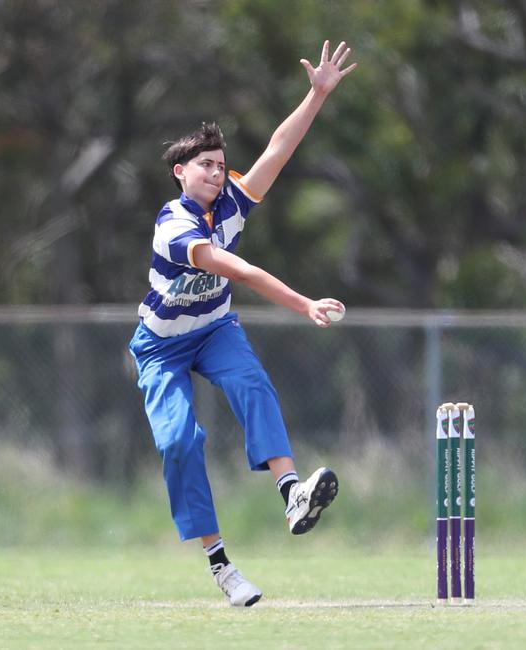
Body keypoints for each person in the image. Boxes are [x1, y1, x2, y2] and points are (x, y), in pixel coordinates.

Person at [129, 40, 356, 607]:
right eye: (204, 165)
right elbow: (244, 271)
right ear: (181, 173)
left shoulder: (232, 198)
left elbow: (279, 148)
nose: (215, 172)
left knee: (251, 382)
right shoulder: (174, 227)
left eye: (220, 165)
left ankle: (291, 494)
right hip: (161, 348)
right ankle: (222, 567)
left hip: (214, 330)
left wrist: (316, 94)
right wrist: (303, 304)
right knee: (180, 441)